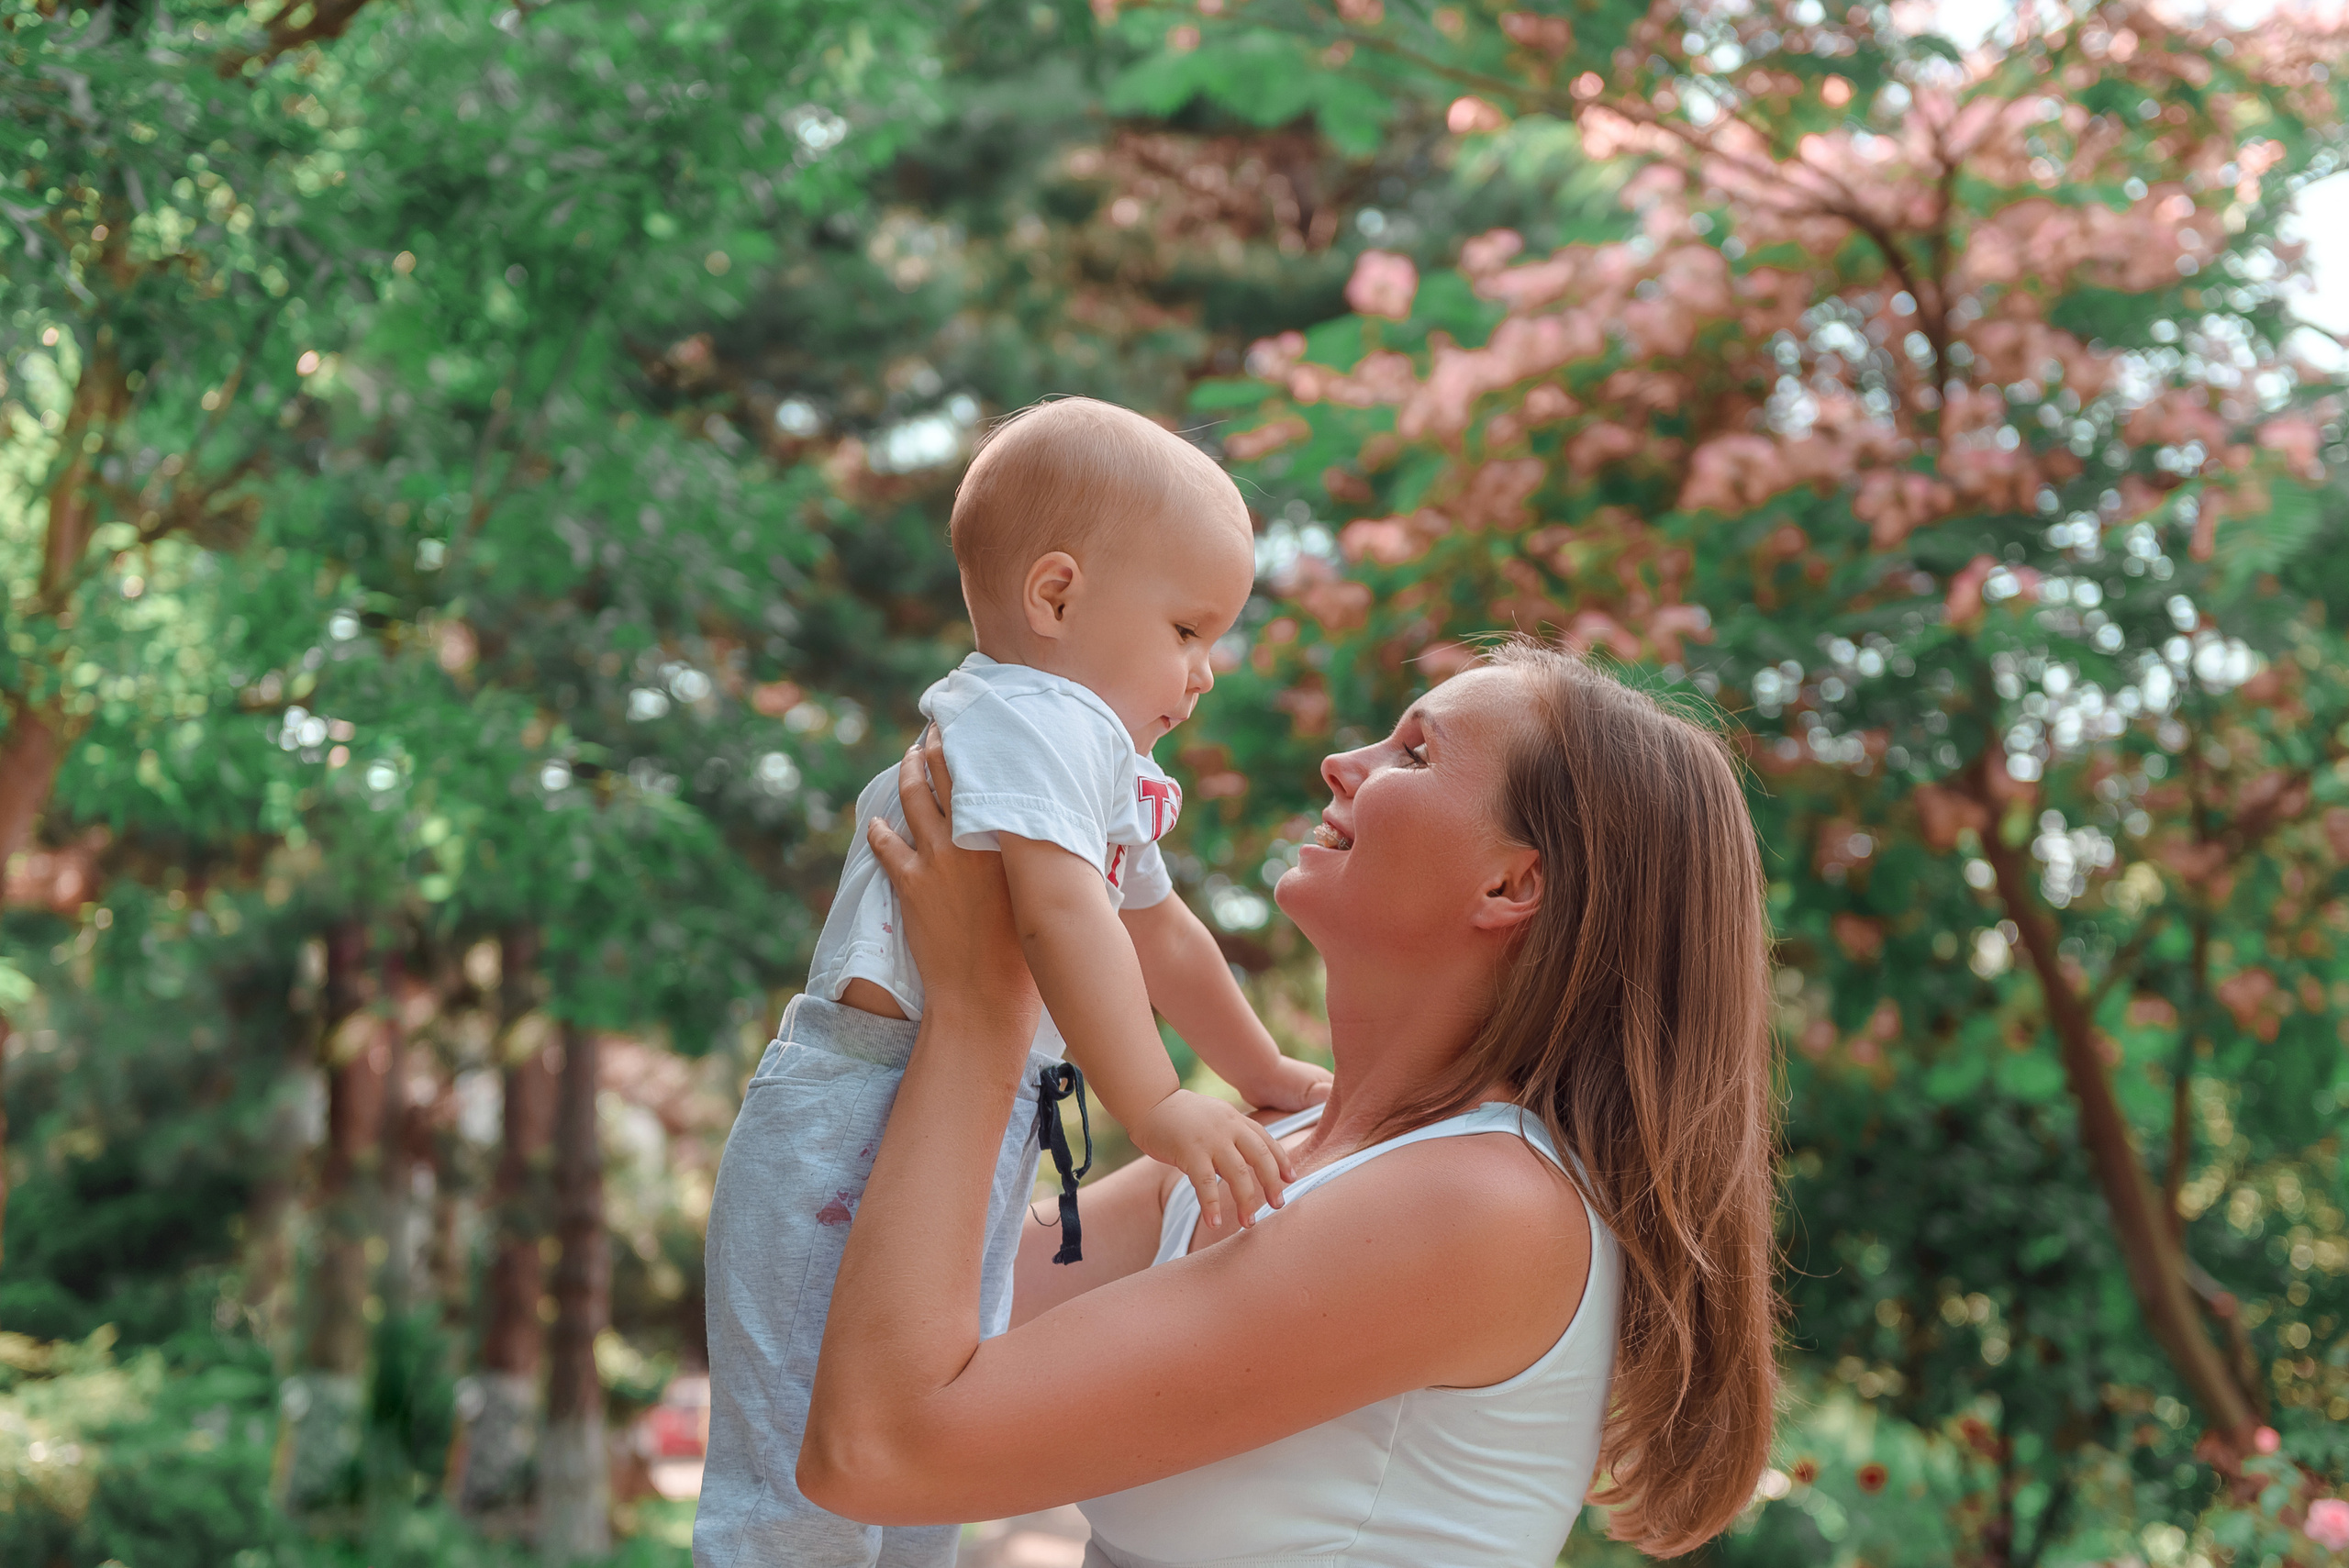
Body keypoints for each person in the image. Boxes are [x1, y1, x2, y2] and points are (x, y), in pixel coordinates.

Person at [800, 640, 1781, 1566]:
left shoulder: (1482, 1204)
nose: (1338, 762)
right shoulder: (1275, 1145)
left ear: (1511, 881)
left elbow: (880, 1450)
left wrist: (980, 1004)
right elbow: (864, 1324)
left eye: (1412, 751)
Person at [696, 398, 1332, 1568]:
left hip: (957, 1113)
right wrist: (1158, 1103)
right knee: (796, 1467)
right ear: (1055, 596)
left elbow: (1166, 932)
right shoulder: (1030, 716)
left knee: (926, 1434)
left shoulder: (1094, 754)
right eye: (1189, 628)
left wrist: (1259, 1070)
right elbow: (1060, 914)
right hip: (851, 1112)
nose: (1203, 674)